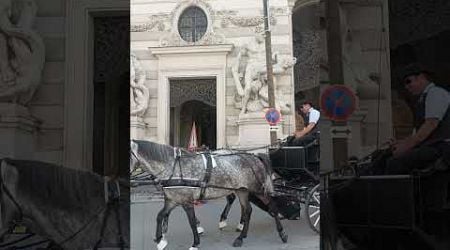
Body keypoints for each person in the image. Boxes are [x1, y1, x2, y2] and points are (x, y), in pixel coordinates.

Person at [385, 63, 450, 174]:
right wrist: (400, 143)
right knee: (384, 156)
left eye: (408, 81)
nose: (406, 86)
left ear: (421, 77)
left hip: (442, 148)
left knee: (394, 163)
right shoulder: (422, 99)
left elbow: (431, 124)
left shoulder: (436, 93)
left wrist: (404, 147)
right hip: (432, 146)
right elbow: (418, 135)